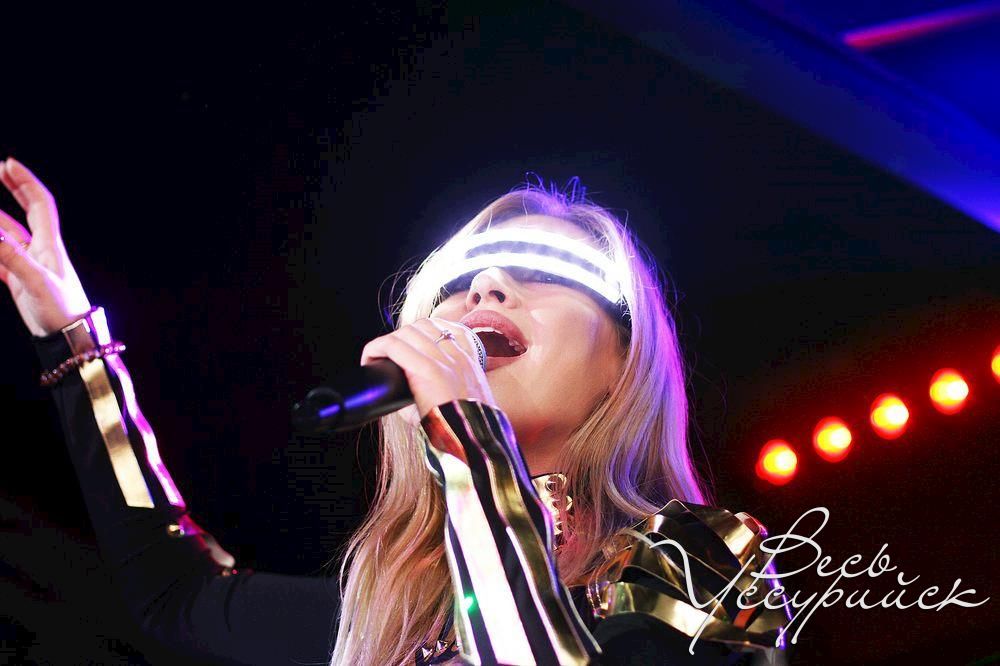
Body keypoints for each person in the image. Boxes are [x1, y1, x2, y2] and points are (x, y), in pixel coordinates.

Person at [0, 156, 790, 665]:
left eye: (546, 271)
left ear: (624, 366)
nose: (484, 289)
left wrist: (471, 443)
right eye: (460, 281)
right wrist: (78, 347)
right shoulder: (392, 619)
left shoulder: (707, 564)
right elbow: (176, 592)